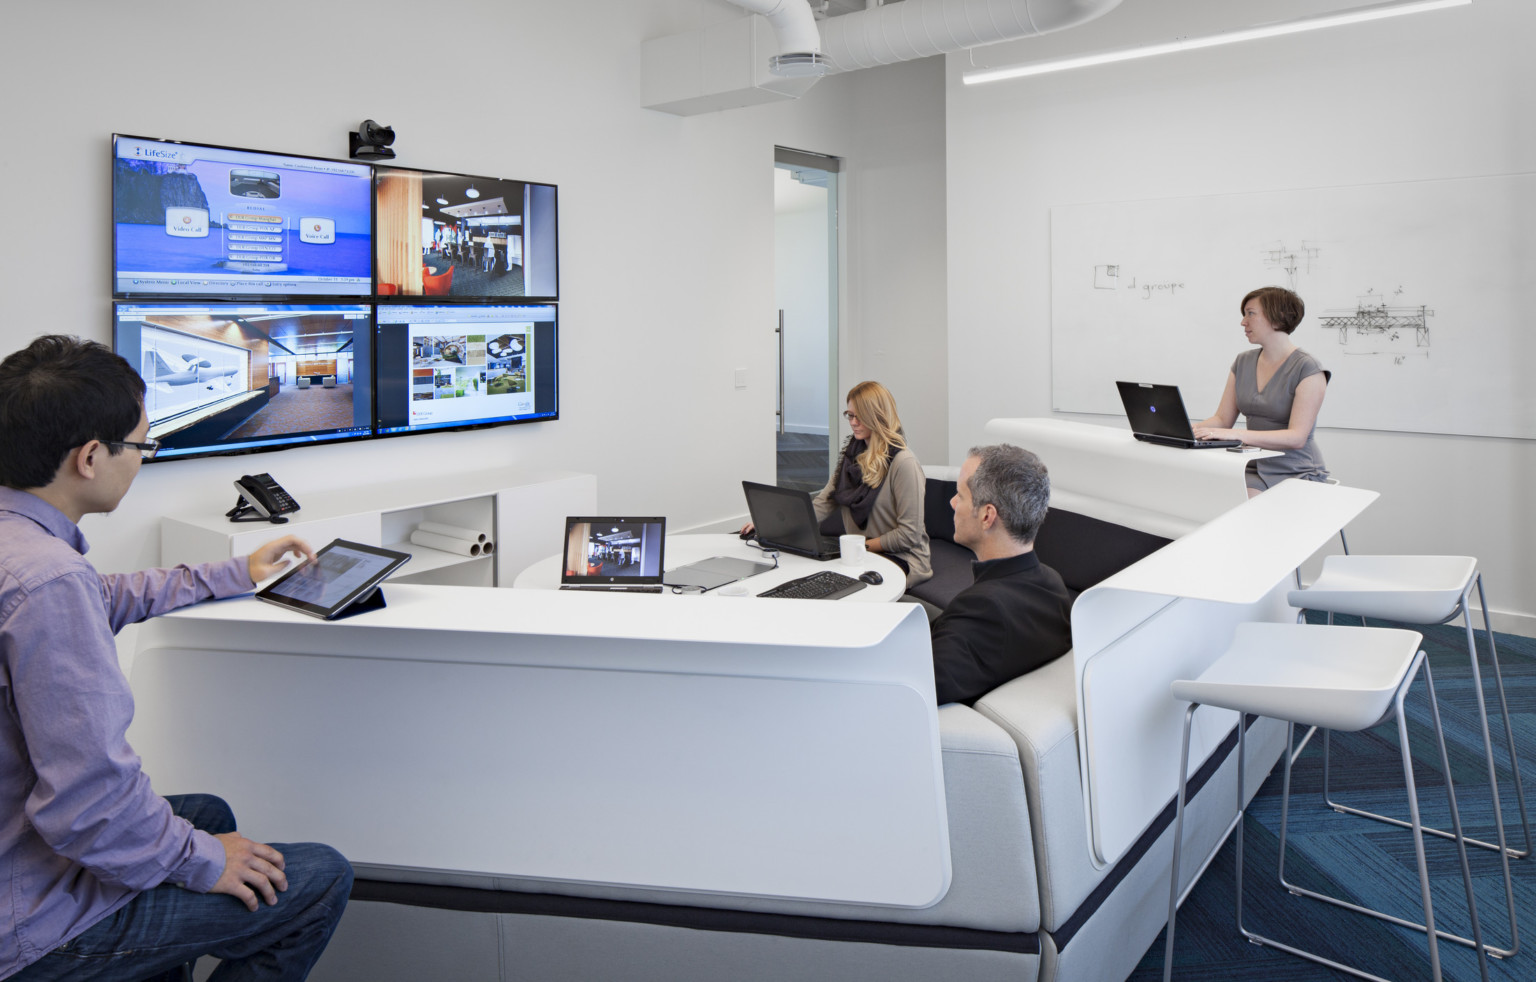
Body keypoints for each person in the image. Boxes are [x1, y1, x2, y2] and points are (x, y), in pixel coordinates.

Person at [0, 336, 353, 982]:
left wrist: (235, 571)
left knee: (208, 814)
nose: (141, 460)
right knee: (318, 878)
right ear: (88, 458)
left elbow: (103, 596)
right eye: (140, 447)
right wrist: (204, 861)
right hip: (26, 923)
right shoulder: (48, 581)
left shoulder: (21, 549)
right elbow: (88, 808)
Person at [930, 444, 1072, 706]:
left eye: (960, 495)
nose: (952, 502)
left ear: (987, 515)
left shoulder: (981, 610)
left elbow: (914, 688)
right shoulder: (1054, 585)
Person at [1193, 286, 1330, 496]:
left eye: (1250, 314)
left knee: (1234, 501)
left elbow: (1297, 438)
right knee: (1204, 490)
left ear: (1277, 318)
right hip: (1252, 463)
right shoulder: (1243, 361)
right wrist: (1187, 430)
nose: (1243, 322)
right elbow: (1222, 420)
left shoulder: (1308, 368)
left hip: (1294, 471)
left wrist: (1233, 435)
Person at [813, 381, 931, 588]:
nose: (853, 422)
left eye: (860, 416)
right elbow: (823, 503)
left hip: (901, 557)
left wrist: (860, 547)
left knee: (844, 588)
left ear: (878, 416)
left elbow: (909, 534)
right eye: (850, 415)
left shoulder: (904, 463)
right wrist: (772, 528)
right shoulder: (851, 457)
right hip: (861, 553)